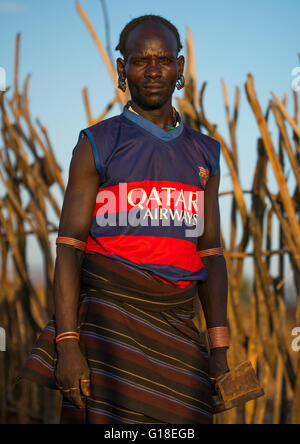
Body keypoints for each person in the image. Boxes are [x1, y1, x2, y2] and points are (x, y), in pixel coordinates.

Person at [19, 15, 229, 424]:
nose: (153, 71)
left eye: (164, 60)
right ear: (122, 69)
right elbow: (69, 248)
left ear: (180, 68)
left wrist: (218, 350)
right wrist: (68, 344)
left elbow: (212, 253)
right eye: (140, 60)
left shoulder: (205, 152)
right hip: (106, 331)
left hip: (179, 330)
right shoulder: (98, 143)